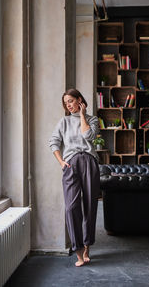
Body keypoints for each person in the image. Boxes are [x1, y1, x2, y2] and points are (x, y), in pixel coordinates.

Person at [49, 88, 100, 267]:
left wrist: (83, 114)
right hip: (71, 164)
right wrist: (61, 161)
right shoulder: (63, 122)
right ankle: (77, 249)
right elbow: (53, 142)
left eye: (71, 101)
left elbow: (88, 135)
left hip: (89, 163)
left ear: (79, 100)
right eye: (66, 103)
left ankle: (87, 246)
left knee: (89, 206)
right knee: (71, 207)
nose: (68, 105)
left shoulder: (93, 119)